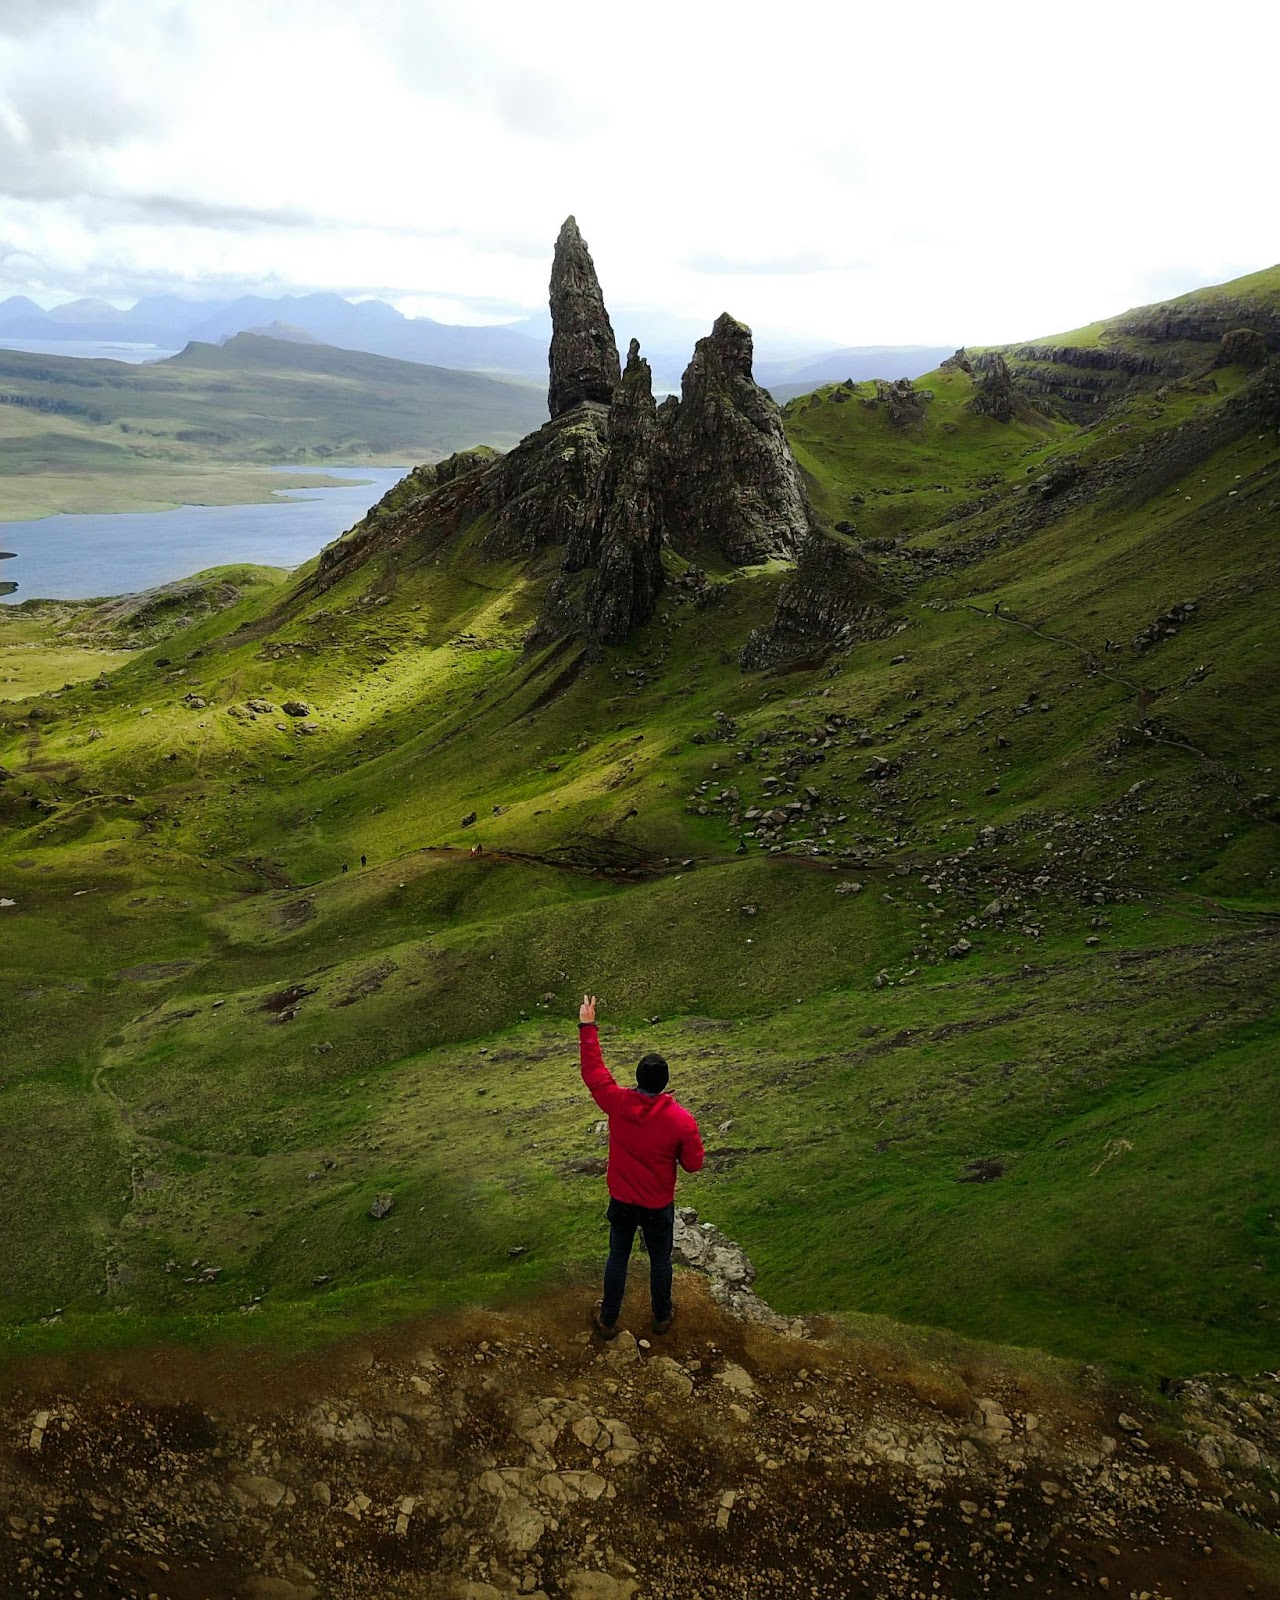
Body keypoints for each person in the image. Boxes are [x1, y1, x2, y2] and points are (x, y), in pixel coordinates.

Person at [577, 993, 704, 1338]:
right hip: (657, 1205)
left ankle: (607, 1320)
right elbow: (694, 1164)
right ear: (664, 1083)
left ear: (637, 1077)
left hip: (622, 1200)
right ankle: (662, 1317)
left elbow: (594, 1073)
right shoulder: (681, 1121)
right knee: (660, 1261)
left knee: (617, 1258)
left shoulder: (618, 1104)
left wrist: (587, 1027)